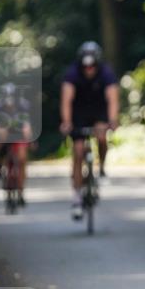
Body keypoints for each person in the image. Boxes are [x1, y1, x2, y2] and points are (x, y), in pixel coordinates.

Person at [59, 41, 119, 220]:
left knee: (101, 136)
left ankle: (101, 169)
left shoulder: (106, 73)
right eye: (86, 66)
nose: (89, 69)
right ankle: (77, 197)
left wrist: (113, 120)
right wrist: (67, 122)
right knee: (78, 152)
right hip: (78, 113)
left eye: (92, 66)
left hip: (99, 111)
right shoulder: (72, 73)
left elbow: (113, 98)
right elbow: (66, 100)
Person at [0, 82, 33, 205]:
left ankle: (21, 190)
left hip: (19, 134)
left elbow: (27, 126)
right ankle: (0, 166)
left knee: (22, 158)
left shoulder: (23, 105)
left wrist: (30, 140)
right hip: (4, 133)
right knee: (0, 137)